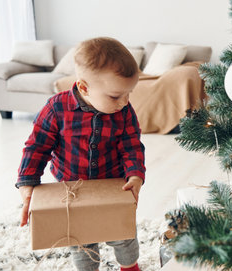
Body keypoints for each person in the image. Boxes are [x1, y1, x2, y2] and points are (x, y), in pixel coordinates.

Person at [16, 37, 145, 271]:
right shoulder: (56, 109)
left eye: (129, 93)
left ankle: (129, 267)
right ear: (84, 87)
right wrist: (28, 184)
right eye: (116, 96)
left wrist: (135, 175)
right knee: (82, 240)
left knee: (124, 234)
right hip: (72, 191)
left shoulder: (124, 112)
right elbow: (37, 147)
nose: (125, 102)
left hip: (113, 187)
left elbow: (132, 145)